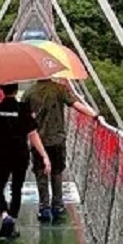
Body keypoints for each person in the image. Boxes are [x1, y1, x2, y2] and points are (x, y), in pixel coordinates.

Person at [23, 79, 97, 222]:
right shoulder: (60, 89)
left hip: (38, 140)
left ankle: (44, 208)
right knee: (57, 171)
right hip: (57, 139)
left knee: (40, 172)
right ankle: (57, 205)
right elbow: (76, 105)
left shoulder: (29, 93)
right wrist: (94, 115)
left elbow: (24, 117)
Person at [0, 82, 50, 239]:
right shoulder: (24, 109)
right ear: (16, 90)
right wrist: (44, 156)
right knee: (16, 188)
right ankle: (12, 222)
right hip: (20, 155)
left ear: (1, 90)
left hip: (0, 155)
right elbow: (33, 134)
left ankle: (4, 215)